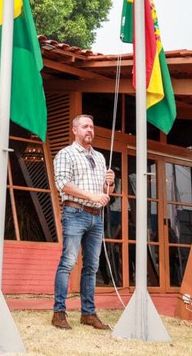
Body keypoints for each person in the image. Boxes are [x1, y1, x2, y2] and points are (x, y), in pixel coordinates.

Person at [52, 114, 115, 330]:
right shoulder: (65, 154)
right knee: (68, 263)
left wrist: (110, 184)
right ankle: (59, 313)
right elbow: (63, 184)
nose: (90, 130)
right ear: (75, 130)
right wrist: (92, 196)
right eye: (85, 126)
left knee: (92, 267)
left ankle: (88, 313)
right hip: (75, 213)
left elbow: (105, 193)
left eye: (92, 126)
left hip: (96, 217)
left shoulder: (99, 157)